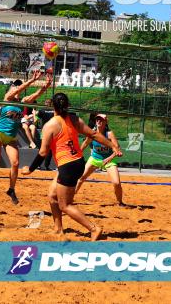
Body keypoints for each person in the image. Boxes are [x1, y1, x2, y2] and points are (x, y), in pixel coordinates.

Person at [21, 93, 122, 240]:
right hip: (78, 162)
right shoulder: (74, 119)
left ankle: (94, 228)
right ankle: (58, 229)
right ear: (67, 105)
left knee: (65, 205)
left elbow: (43, 152)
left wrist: (30, 169)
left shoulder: (50, 125)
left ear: (53, 106)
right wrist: (112, 145)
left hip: (68, 166)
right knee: (52, 196)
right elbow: (94, 134)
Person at [0, 77, 44, 203]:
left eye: (18, 86)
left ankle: (11, 189)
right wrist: (31, 80)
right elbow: (19, 88)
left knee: (15, 163)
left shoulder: (22, 101)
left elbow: (35, 95)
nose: (17, 88)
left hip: (10, 136)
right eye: (15, 86)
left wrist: (45, 87)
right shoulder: (7, 97)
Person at [75, 113, 124, 205]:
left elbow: (117, 149)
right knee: (80, 178)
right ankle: (71, 197)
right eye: (97, 119)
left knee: (116, 183)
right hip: (94, 158)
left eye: (101, 119)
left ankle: (120, 202)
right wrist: (78, 154)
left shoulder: (109, 134)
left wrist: (108, 159)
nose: (98, 121)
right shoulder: (92, 132)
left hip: (109, 160)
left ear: (106, 122)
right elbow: (85, 143)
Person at [20, 73, 53, 148]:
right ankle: (31, 142)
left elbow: (34, 120)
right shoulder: (24, 101)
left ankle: (31, 143)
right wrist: (31, 115)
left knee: (33, 127)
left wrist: (47, 85)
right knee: (25, 126)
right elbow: (25, 116)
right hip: (23, 121)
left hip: (29, 121)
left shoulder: (33, 103)